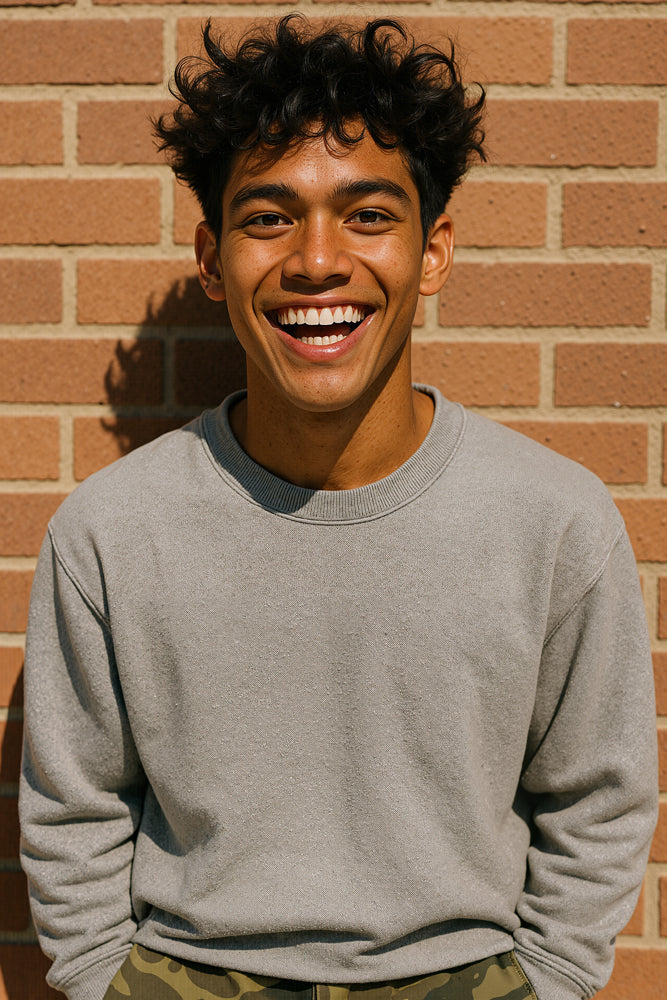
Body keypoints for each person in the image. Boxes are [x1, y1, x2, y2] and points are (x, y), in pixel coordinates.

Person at [20, 16, 658, 1000]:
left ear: (432, 251)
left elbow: (598, 799)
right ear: (212, 256)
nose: (317, 259)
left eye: (366, 215)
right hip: (186, 974)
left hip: (463, 975)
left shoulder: (554, 521)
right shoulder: (111, 531)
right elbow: (74, 808)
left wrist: (551, 978)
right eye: (268, 218)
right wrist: (109, 981)